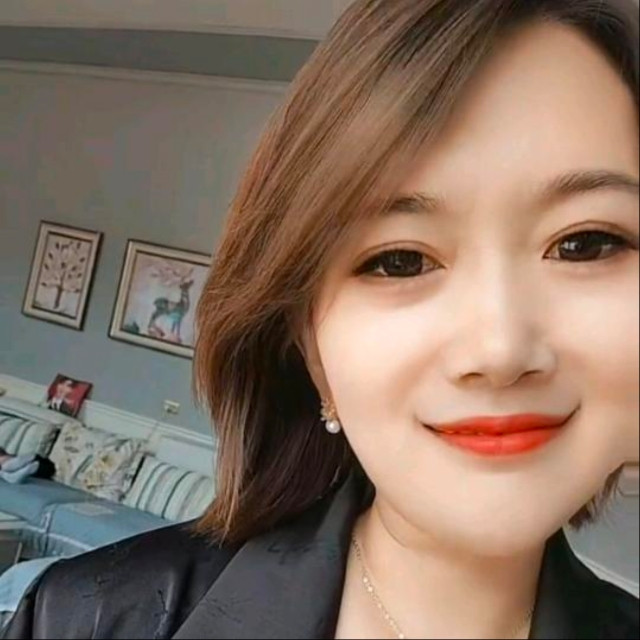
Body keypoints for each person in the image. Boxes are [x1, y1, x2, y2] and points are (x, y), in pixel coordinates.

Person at [3, 0, 639, 638]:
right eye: (399, 260)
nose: (499, 349)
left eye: (584, 244)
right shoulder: (83, 619)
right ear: (310, 348)